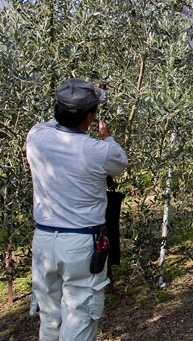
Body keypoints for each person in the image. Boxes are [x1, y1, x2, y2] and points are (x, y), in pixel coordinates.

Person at [27, 78, 128, 340]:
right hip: (81, 243)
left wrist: (83, 96)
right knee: (80, 317)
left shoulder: (36, 136)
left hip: (44, 239)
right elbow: (120, 161)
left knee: (49, 318)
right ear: (91, 116)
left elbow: (55, 120)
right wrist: (107, 136)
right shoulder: (98, 151)